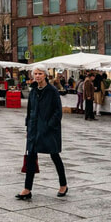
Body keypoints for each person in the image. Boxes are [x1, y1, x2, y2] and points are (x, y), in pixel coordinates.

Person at [16, 67, 68, 200]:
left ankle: (63, 184)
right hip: (34, 128)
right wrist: (28, 127)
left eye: (40, 73)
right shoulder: (33, 91)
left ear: (45, 75)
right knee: (31, 157)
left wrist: (49, 125)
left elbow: (58, 112)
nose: (37, 76)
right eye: (35, 74)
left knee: (54, 155)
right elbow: (29, 110)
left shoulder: (52, 91)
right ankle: (27, 189)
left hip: (49, 129)